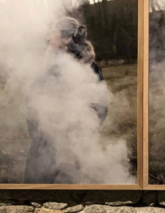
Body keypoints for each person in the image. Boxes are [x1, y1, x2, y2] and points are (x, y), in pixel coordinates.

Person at [24, 17, 109, 183]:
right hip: (44, 143)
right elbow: (34, 102)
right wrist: (38, 132)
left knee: (65, 185)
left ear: (67, 38)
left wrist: (76, 130)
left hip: (70, 146)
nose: (48, 38)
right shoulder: (50, 64)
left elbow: (100, 107)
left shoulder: (89, 69)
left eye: (53, 33)